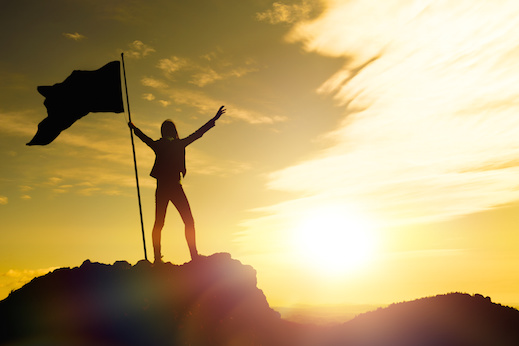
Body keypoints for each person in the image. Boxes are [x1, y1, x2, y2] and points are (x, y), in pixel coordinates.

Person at [129, 106, 226, 264]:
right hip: (174, 186)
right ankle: (193, 255)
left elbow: (145, 139)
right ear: (174, 131)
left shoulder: (160, 145)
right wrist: (214, 119)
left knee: (159, 222)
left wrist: (134, 128)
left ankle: (157, 258)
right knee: (187, 220)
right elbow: (198, 133)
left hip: (162, 187)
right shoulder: (178, 144)